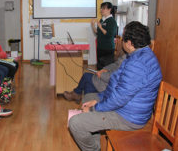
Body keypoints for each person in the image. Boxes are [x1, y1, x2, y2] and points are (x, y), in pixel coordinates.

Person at [69, 21, 162, 151]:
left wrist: (93, 109)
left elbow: (119, 98)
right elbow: (117, 88)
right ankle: (96, 139)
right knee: (89, 97)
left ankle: (94, 149)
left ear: (129, 43)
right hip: (126, 108)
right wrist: (98, 99)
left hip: (128, 117)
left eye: (123, 38)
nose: (121, 40)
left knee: (75, 123)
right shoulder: (139, 55)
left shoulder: (137, 64)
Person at [91, 2, 117, 70]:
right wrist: (93, 25)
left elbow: (110, 34)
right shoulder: (102, 20)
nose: (101, 10)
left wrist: (101, 27)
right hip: (100, 47)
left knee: (106, 68)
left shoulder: (112, 21)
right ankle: (98, 80)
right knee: (99, 66)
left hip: (108, 48)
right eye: (101, 8)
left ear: (109, 9)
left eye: (104, 8)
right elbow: (97, 32)